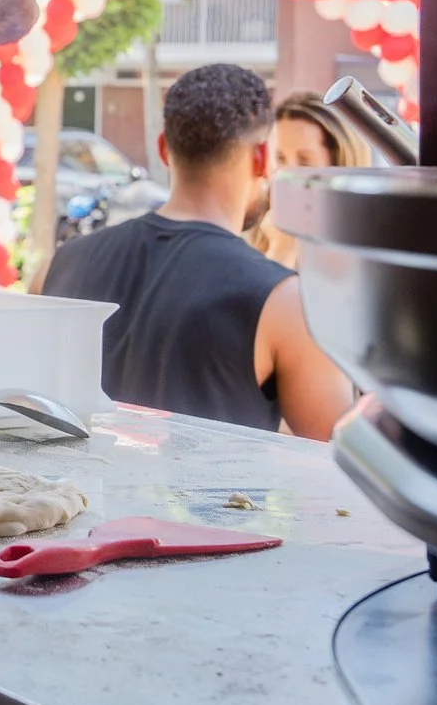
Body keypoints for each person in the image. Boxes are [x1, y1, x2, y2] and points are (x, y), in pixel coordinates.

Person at [40, 63, 352, 439]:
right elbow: (342, 461)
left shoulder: (60, 265)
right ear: (260, 157)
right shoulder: (283, 303)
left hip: (79, 498)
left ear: (163, 149)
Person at [250, 90, 369, 267]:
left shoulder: (361, 244)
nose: (287, 173)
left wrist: (283, 250)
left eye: (305, 162)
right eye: (281, 158)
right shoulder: (264, 227)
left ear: (339, 164)